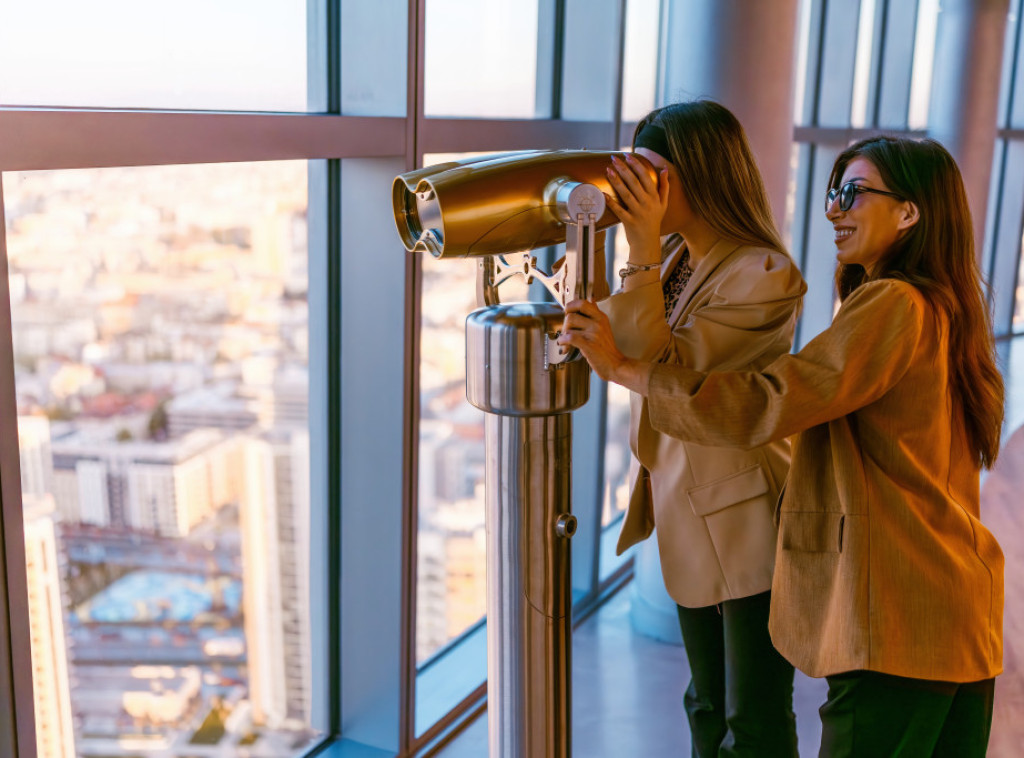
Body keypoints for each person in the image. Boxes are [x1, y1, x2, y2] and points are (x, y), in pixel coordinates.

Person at [561, 135, 1005, 757]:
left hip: (901, 618)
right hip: (951, 609)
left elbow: (771, 400)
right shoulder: (942, 306)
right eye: (832, 193)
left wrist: (623, 369)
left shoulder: (893, 303)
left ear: (910, 212)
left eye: (854, 193)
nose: (834, 210)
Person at [594, 99, 806, 757]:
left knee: (755, 718)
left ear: (702, 174)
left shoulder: (764, 273)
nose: (638, 190)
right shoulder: (679, 260)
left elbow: (667, 369)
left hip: (745, 520)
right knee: (705, 703)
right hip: (690, 506)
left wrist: (639, 250)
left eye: (654, 174)